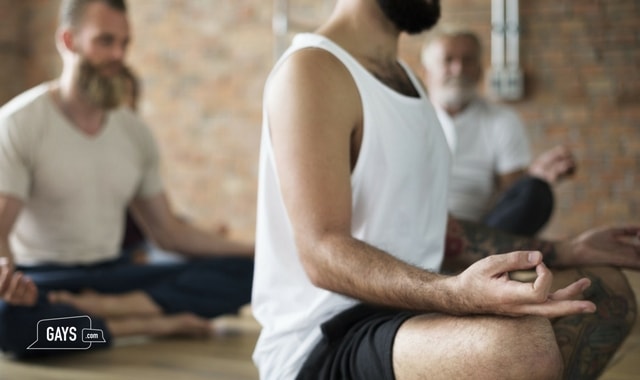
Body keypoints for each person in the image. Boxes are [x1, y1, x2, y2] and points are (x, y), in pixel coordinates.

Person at [252, 0, 639, 379]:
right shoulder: (313, 69)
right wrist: (455, 293)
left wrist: (567, 249)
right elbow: (322, 253)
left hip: (406, 311)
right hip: (326, 338)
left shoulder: (410, 81)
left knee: (607, 293)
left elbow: (437, 228)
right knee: (520, 346)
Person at [0, 0, 253, 358]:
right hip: (45, 279)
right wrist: (10, 282)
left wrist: (260, 251)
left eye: (124, 43)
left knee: (249, 273)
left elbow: (169, 233)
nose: (119, 54)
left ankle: (101, 313)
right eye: (105, 41)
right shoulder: (18, 124)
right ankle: (152, 323)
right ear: (68, 41)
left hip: (115, 278)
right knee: (12, 323)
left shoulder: (135, 134)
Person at [421, 29, 577, 236]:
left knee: (534, 191)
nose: (458, 69)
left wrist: (534, 176)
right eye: (448, 60)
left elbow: (511, 195)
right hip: (419, 228)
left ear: (479, 70)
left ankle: (478, 258)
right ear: (427, 72)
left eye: (467, 60)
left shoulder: (503, 120)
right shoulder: (409, 119)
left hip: (481, 232)